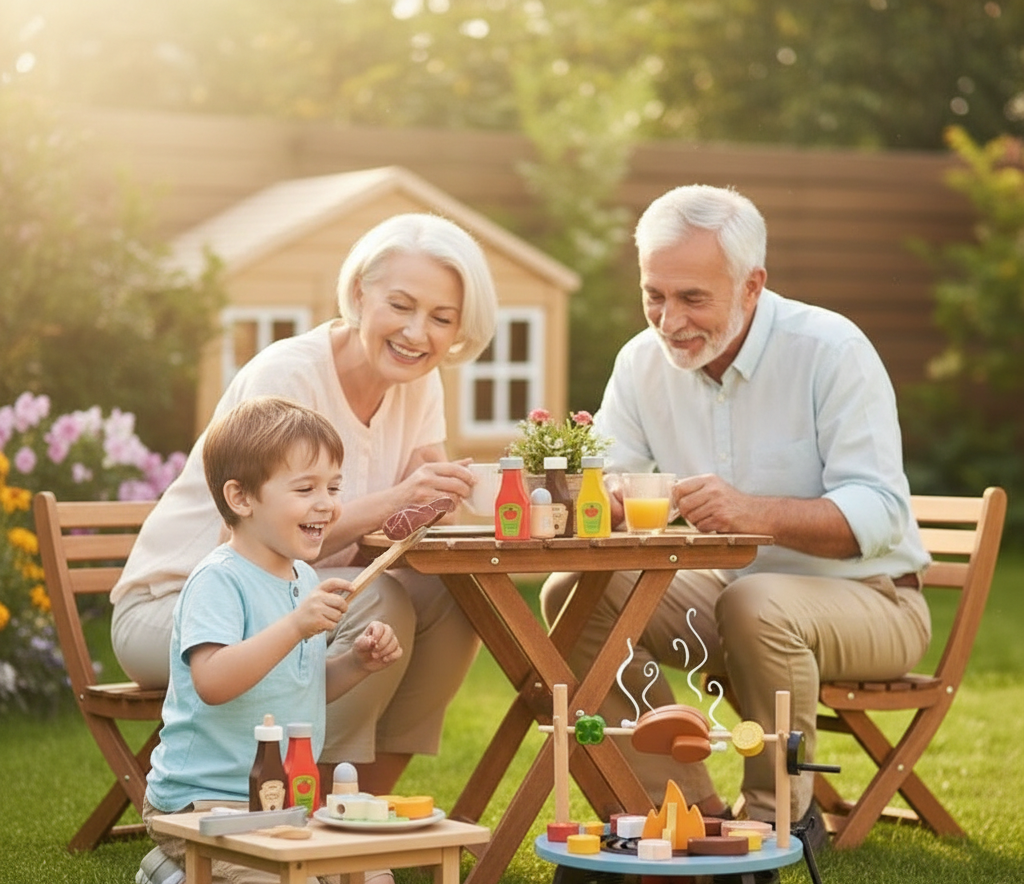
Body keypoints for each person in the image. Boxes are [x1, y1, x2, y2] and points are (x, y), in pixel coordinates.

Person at [541, 184, 931, 845]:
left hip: (873, 600)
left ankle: (775, 817)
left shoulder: (830, 350)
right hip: (730, 600)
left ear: (752, 286)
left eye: (692, 298)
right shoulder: (640, 364)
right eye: (654, 295)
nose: (668, 320)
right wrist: (589, 493)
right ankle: (678, 808)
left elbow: (881, 512)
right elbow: (606, 481)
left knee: (755, 601)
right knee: (578, 592)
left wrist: (753, 513)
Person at [112, 212, 498, 819]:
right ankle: (302, 799)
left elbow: (425, 508)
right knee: (377, 600)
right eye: (400, 305)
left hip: (292, 596)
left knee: (458, 596)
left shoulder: (420, 383)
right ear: (360, 294)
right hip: (184, 608)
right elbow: (253, 537)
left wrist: (464, 493)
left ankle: (360, 798)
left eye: (441, 318)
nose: (417, 333)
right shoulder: (287, 375)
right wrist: (400, 498)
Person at [136, 397, 402, 884]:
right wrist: (294, 626)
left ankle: (230, 876)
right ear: (240, 497)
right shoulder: (219, 580)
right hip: (207, 802)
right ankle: (167, 872)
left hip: (282, 801)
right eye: (305, 489)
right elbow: (212, 681)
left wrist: (357, 663)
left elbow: (298, 685)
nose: (326, 503)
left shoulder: (302, 577)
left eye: (333, 486)